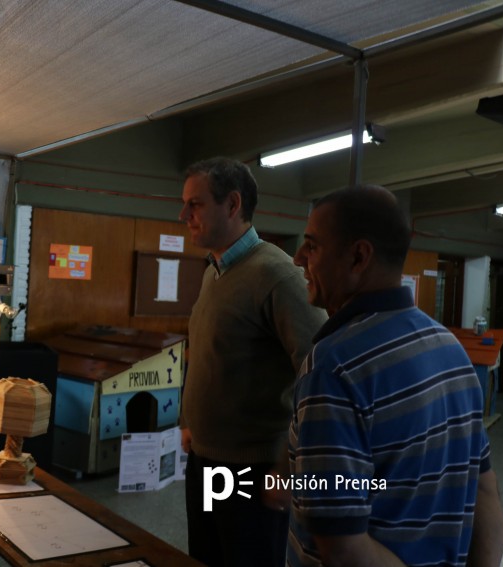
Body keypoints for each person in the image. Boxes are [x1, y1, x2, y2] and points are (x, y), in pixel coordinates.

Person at [288, 185, 503, 567]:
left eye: (312, 246)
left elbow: (342, 548)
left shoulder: (335, 368)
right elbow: (485, 494)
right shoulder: (450, 349)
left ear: (358, 256)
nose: (298, 258)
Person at [178, 157, 327, 567]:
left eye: (195, 204)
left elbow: (319, 374)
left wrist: (287, 466)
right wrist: (189, 421)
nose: (183, 215)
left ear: (232, 204)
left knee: (246, 559)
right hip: (208, 458)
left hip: (252, 468)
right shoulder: (215, 272)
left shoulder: (277, 275)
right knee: (207, 557)